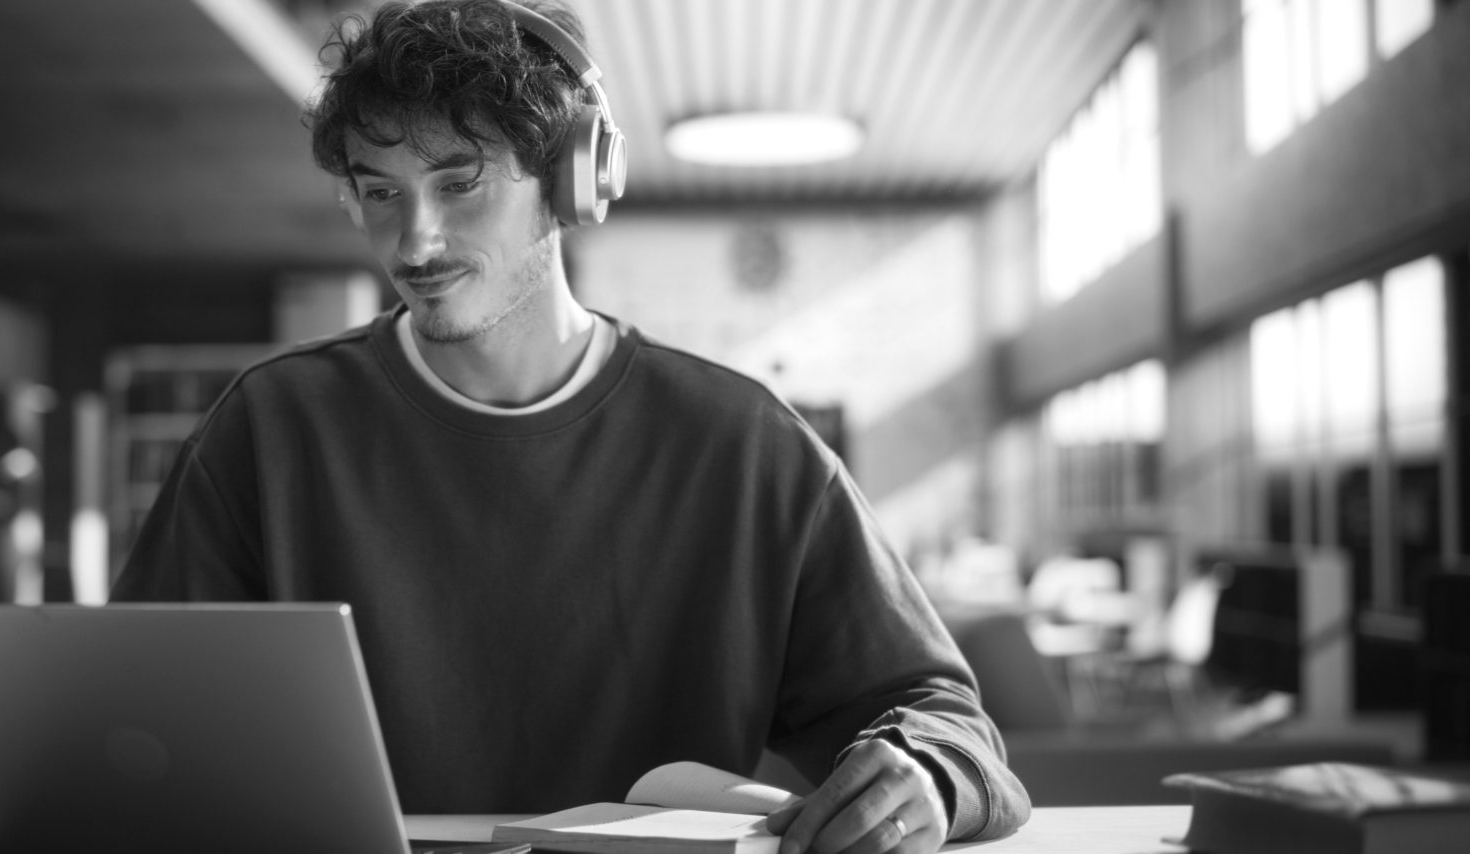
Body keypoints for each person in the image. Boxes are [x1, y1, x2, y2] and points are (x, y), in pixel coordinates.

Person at [112, 1, 1030, 851]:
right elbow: (125, 720)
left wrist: (931, 776)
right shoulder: (270, 430)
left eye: (459, 183)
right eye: (380, 192)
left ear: (570, 181)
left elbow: (940, 714)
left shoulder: (741, 443)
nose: (415, 242)